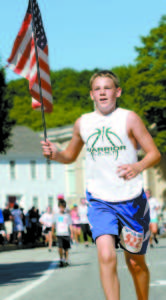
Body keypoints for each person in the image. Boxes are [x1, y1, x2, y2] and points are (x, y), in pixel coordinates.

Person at [41, 70, 161, 300]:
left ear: (117, 92)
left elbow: (154, 154)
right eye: (98, 89)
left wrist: (137, 166)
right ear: (91, 95)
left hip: (131, 199)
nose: (102, 92)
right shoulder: (83, 123)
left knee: (135, 262)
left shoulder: (129, 118)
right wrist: (55, 154)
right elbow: (70, 155)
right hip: (100, 200)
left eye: (107, 88)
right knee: (106, 256)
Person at [52, 199, 73, 267]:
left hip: (66, 233)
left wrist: (71, 233)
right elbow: (53, 224)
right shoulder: (56, 215)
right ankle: (61, 259)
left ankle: (66, 259)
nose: (62, 208)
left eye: (63, 207)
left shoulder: (67, 215)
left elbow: (70, 225)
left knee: (66, 248)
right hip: (59, 233)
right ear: (59, 207)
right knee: (60, 247)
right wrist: (53, 233)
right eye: (60, 207)